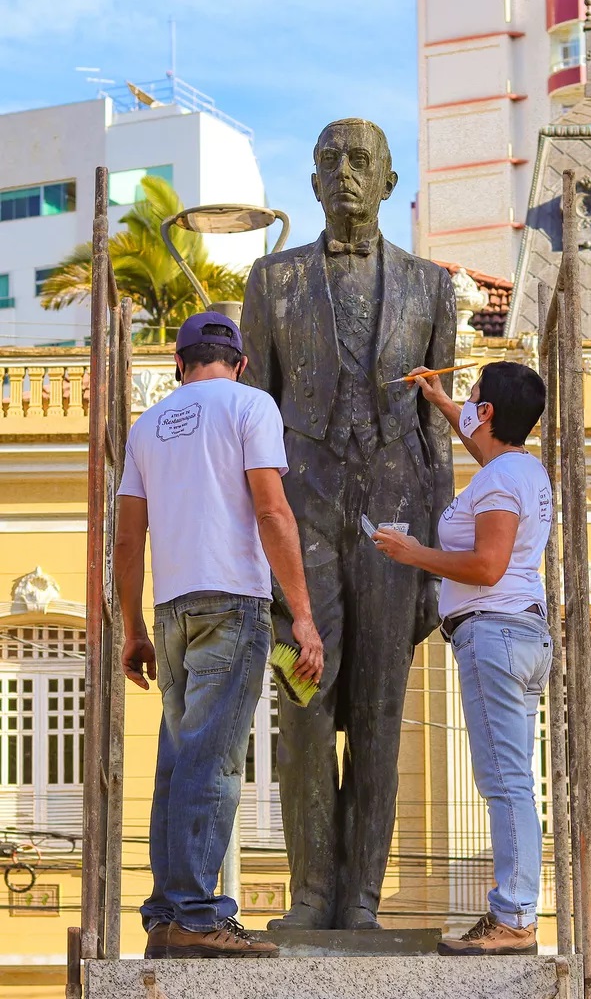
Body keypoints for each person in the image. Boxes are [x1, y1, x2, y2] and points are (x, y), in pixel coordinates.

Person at [240, 117, 456, 931]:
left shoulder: (433, 286)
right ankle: (309, 895)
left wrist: (434, 566)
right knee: (303, 710)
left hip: (397, 518)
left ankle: (361, 901)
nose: (344, 173)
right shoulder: (273, 280)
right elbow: (253, 423)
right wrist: (258, 553)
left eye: (360, 161)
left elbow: (439, 438)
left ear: (389, 182)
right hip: (303, 515)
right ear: (313, 182)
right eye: (328, 160)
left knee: (377, 717)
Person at [114, 310, 324, 959]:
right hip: (232, 603)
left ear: (178, 364)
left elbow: (127, 537)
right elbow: (270, 509)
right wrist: (303, 614)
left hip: (173, 611)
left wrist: (134, 628)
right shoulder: (250, 405)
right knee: (215, 764)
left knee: (179, 764)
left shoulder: (147, 426)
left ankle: (166, 917)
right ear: (239, 362)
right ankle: (200, 917)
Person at [374, 360, 553, 956]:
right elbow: (483, 447)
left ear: (493, 412)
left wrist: (412, 553)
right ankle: (515, 911)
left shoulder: (501, 482)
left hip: (493, 635)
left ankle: (514, 916)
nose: (468, 407)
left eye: (475, 398)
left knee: (504, 783)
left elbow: (485, 566)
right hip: (520, 636)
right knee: (514, 780)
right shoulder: (518, 470)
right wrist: (444, 401)